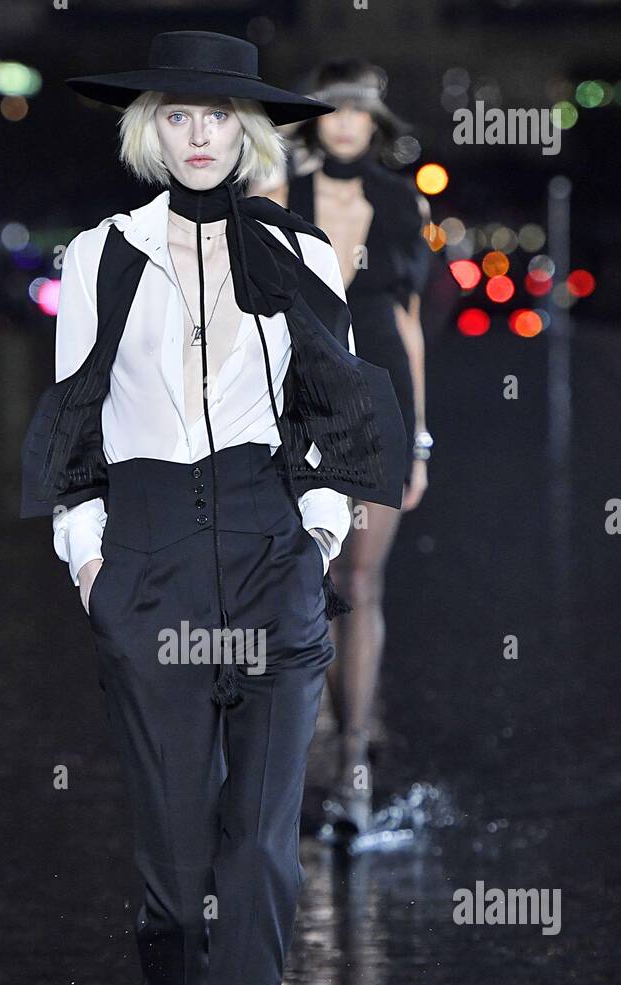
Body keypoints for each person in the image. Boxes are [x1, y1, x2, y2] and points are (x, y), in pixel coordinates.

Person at [19, 31, 406, 985]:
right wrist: (88, 559)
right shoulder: (100, 255)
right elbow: (74, 407)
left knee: (260, 859)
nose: (198, 135)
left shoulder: (294, 250)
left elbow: (339, 396)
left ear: (248, 132)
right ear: (151, 128)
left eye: (219, 117)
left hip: (268, 550)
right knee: (170, 876)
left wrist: (322, 518)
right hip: (146, 558)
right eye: (177, 115)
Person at [258, 60, 433, 837]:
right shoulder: (278, 198)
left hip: (383, 406)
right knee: (309, 581)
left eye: (359, 109)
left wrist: (420, 441)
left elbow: (406, 322)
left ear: (375, 121)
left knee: (359, 582)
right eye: (331, 108)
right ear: (315, 119)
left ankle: (354, 757)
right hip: (301, 405)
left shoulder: (401, 202)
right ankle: (308, 748)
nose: (344, 122)